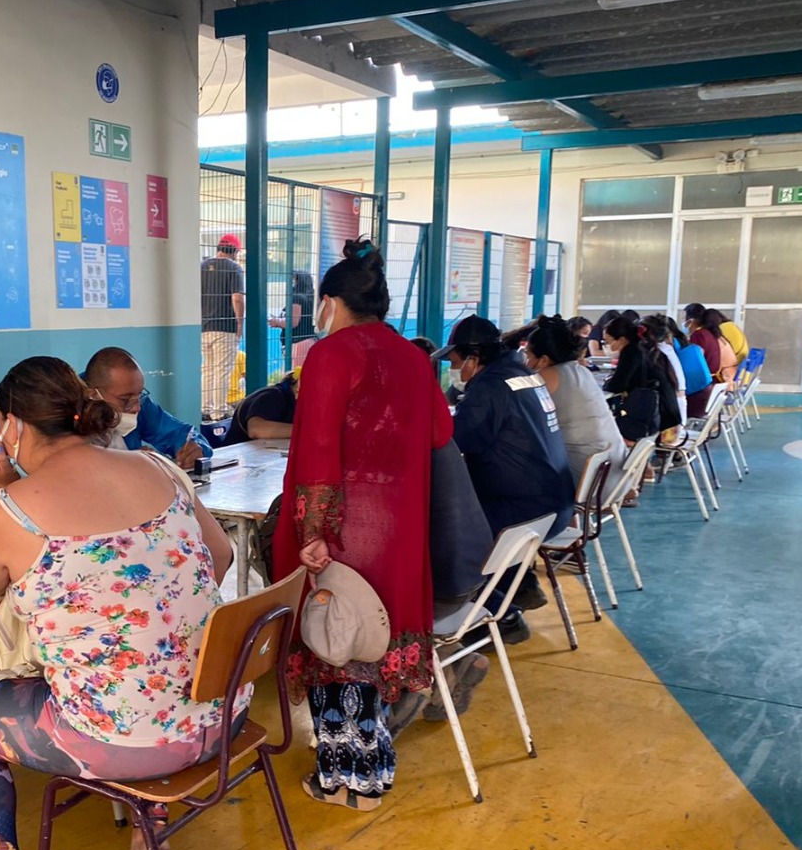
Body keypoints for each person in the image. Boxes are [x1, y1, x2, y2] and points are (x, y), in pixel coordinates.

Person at [0, 356, 236, 850]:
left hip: (120, 740)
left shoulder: (7, 507)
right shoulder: (157, 466)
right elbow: (221, 556)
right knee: (148, 672)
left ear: (10, 426)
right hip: (219, 711)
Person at [273, 239, 452, 811]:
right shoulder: (411, 356)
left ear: (329, 302)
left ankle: (341, 779)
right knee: (372, 639)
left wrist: (311, 532)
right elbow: (438, 434)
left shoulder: (330, 354)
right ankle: (371, 772)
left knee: (335, 640)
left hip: (345, 528)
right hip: (397, 529)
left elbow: (321, 450)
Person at [436, 314, 576, 542]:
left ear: (473, 358)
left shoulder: (489, 388)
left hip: (522, 514)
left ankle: (495, 577)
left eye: (454, 362)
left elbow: (452, 440)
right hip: (556, 506)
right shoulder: (521, 373)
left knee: (439, 528)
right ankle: (517, 576)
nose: (453, 371)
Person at [522, 315, 627, 484]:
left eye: (528, 356)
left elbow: (522, 417)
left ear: (543, 360)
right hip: (612, 475)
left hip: (585, 478)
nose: (526, 363)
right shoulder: (581, 370)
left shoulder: (547, 376)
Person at [82, 347, 210, 470]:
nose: (136, 408)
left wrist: (196, 448)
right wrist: (127, 461)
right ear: (93, 394)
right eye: (125, 399)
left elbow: (179, 433)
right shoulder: (68, 411)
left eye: (139, 395)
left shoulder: (140, 403)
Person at [603, 313, 681, 444]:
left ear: (621, 339)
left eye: (607, 341)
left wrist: (606, 382)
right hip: (670, 421)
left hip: (656, 426)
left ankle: (640, 463)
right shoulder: (647, 348)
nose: (605, 345)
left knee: (606, 430)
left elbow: (617, 385)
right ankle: (644, 463)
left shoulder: (632, 351)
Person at [200, 234, 245, 420]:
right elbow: (237, 297)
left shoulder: (201, 267)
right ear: (235, 251)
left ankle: (205, 408)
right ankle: (219, 411)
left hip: (204, 326)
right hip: (225, 326)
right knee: (222, 369)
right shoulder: (234, 268)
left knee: (207, 368)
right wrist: (240, 323)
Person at [225, 368, 299, 445]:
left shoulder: (294, 400)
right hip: (237, 453)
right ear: (298, 386)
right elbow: (255, 430)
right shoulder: (273, 396)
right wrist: (304, 430)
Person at [270, 269, 318, 368]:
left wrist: (277, 321)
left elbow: (293, 322)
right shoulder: (312, 297)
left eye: (293, 281)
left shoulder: (297, 298)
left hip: (297, 343)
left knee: (294, 375)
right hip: (310, 340)